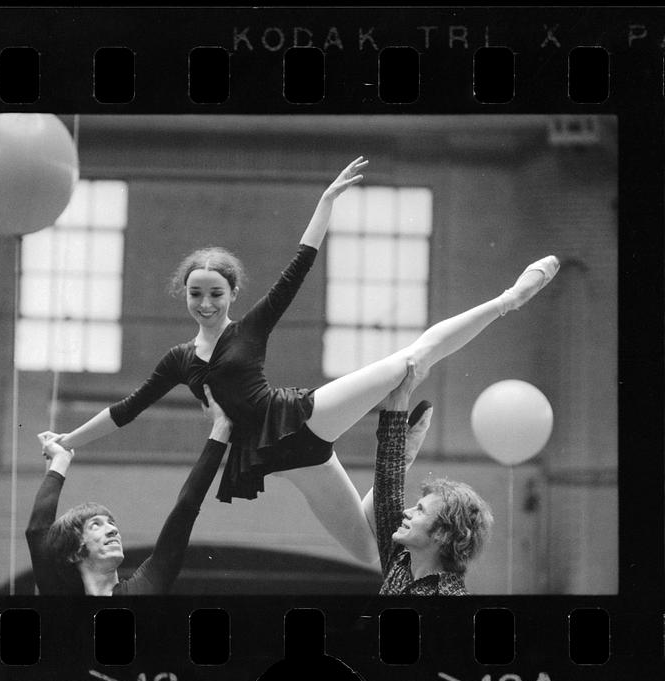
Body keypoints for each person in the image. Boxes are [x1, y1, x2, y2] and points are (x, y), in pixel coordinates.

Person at [41, 156, 558, 564]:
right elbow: (125, 410)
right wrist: (69, 441)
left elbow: (299, 267)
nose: (205, 303)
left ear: (232, 293)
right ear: (183, 293)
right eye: (196, 293)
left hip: (300, 415)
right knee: (367, 549)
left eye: (216, 293)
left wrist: (327, 201)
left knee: (412, 359)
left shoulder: (251, 327)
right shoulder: (178, 359)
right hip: (276, 455)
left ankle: (508, 298)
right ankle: (398, 456)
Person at [25, 384, 231, 595]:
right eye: (96, 525)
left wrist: (221, 427)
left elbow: (185, 509)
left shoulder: (143, 588)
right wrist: (60, 459)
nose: (113, 530)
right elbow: (37, 531)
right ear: (74, 553)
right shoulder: (59, 594)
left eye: (111, 524)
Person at [374, 361, 494, 595]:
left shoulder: (453, 600)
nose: (406, 512)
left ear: (443, 535)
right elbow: (387, 486)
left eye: (420, 510)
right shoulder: (401, 564)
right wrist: (400, 397)